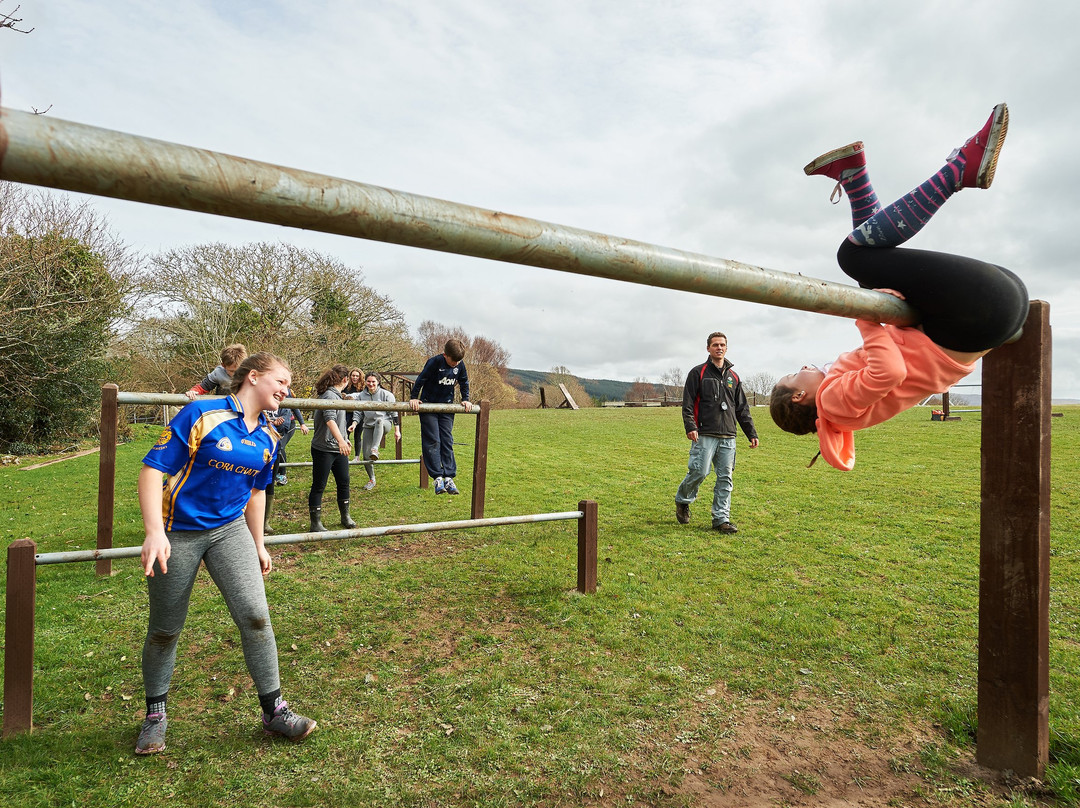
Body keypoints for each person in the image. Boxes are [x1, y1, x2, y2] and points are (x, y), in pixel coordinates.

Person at [769, 103, 1028, 471]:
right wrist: (867, 318)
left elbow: (899, 363)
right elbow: (890, 372)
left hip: (993, 313)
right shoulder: (832, 403)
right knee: (853, 256)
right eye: (795, 374)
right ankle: (959, 170)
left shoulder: (844, 406)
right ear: (798, 396)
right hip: (973, 316)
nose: (803, 367)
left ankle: (854, 176)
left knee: (870, 271)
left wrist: (879, 315)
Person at [135, 351, 316, 755]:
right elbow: (152, 470)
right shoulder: (202, 413)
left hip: (229, 531)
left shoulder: (268, 437)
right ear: (253, 377)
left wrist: (258, 544)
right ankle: (155, 716)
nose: (287, 391)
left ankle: (274, 712)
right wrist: (153, 533)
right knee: (165, 629)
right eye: (281, 382)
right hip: (176, 533)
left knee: (256, 617)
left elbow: (255, 493)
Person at [674, 332, 759, 533]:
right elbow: (687, 404)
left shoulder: (734, 377)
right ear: (708, 349)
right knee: (700, 471)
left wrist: (752, 433)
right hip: (704, 433)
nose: (719, 348)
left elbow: (741, 409)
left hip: (728, 436)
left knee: (725, 478)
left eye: (722, 345)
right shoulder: (698, 373)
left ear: (726, 348)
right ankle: (683, 500)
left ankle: (721, 519)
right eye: (715, 345)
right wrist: (691, 426)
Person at [409, 339, 472, 495]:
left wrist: (466, 399)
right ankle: (437, 476)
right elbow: (420, 380)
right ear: (445, 355)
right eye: (453, 361)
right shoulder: (434, 362)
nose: (456, 364)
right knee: (433, 440)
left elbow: (464, 381)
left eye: (459, 361)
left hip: (446, 406)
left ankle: (449, 477)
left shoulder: (459, 365)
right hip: (429, 405)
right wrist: (414, 397)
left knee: (447, 440)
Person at [308, 364, 355, 531]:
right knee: (319, 484)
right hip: (324, 447)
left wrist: (345, 439)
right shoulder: (329, 395)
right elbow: (329, 419)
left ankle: (345, 517)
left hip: (337, 447)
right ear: (344, 379)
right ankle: (315, 523)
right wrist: (341, 441)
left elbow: (340, 422)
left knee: (344, 481)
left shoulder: (337, 396)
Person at [262, 387, 309, 535]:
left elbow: (284, 426)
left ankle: (265, 522)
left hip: (274, 445)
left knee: (269, 483)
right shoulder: (262, 398)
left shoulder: (285, 404)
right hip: (257, 444)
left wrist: (271, 423)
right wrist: (270, 422)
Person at [348, 372, 401, 491]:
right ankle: (372, 479)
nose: (371, 384)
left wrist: (397, 431)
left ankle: (375, 448)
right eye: (369, 381)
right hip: (368, 425)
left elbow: (394, 413)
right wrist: (354, 424)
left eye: (373, 381)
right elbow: (358, 412)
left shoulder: (386, 394)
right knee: (366, 456)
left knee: (379, 420)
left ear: (378, 382)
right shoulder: (362, 395)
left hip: (384, 424)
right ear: (365, 382)